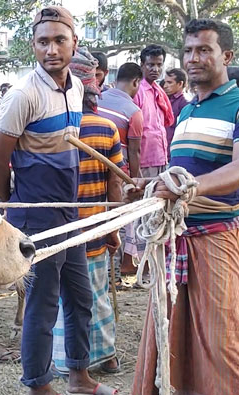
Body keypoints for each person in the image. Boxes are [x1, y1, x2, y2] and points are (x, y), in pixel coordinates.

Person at [0, 7, 124, 395]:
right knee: (43, 306)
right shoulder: (22, 94)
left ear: (74, 44)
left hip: (72, 212)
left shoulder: (77, 89)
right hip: (37, 216)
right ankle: (39, 385)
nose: (51, 49)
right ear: (33, 45)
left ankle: (79, 377)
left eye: (59, 40)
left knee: (80, 299)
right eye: (42, 41)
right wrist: (14, 204)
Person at [130, 18, 239, 395]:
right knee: (171, 330)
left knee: (221, 336)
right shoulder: (185, 112)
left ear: (226, 56)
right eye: (188, 50)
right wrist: (151, 185)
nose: (193, 58)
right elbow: (181, 171)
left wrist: (182, 186)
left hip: (218, 238)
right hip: (177, 237)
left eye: (204, 50)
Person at [51, 47, 124, 377]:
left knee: (60, 299)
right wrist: (113, 230)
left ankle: (64, 360)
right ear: (94, 88)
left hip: (56, 234)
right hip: (93, 229)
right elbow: (114, 191)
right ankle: (105, 356)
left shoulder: (47, 129)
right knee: (95, 295)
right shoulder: (106, 128)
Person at [98, 63, 145, 281]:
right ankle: (113, 275)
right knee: (118, 225)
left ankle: (104, 273)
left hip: (93, 173)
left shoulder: (97, 98)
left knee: (98, 222)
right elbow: (134, 152)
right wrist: (135, 182)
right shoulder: (134, 112)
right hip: (118, 175)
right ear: (136, 82)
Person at [134, 44, 175, 178]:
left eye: (159, 64)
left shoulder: (159, 90)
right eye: (150, 65)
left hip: (161, 158)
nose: (155, 69)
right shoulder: (137, 90)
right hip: (144, 161)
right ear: (142, 65)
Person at [163, 68, 190, 154]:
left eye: (169, 82)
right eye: (165, 82)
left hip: (174, 151)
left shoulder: (185, 103)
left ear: (180, 84)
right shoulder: (164, 99)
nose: (165, 86)